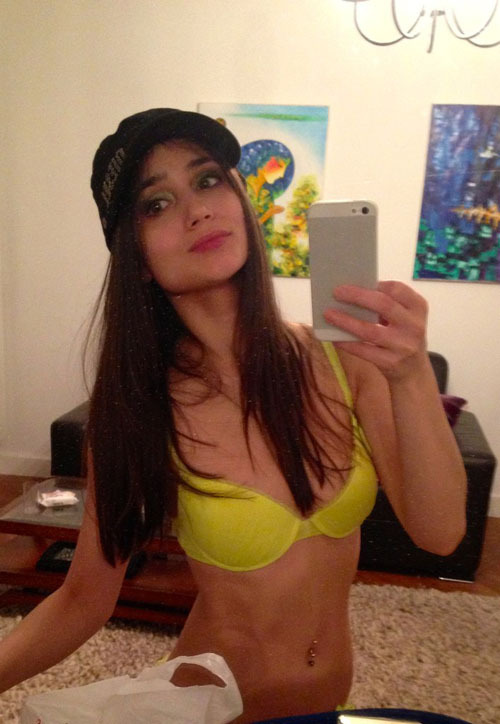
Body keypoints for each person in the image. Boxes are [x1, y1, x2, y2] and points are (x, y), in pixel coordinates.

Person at [0, 108, 467, 722]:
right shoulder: (141, 412)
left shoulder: (344, 362)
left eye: (208, 180)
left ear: (242, 199)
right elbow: (83, 599)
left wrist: (409, 375)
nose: (196, 209)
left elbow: (440, 534)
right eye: (157, 204)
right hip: (214, 710)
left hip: (328, 703)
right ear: (137, 257)